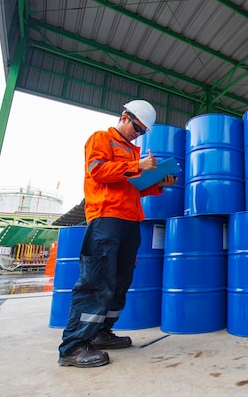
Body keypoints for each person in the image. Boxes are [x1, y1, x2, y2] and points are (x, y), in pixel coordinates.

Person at [58, 100, 178, 368]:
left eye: (143, 131)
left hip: (131, 219)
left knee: (120, 280)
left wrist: (159, 182)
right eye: (137, 127)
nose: (139, 133)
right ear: (125, 117)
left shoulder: (134, 153)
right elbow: (97, 171)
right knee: (95, 280)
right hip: (106, 218)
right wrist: (138, 166)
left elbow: (134, 187)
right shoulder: (101, 139)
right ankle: (73, 346)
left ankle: (101, 332)